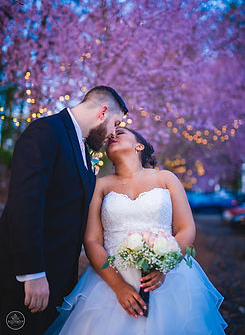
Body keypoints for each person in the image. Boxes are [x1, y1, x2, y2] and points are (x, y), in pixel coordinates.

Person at [44, 126, 228, 335]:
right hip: (110, 278)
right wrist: (119, 287)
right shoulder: (99, 185)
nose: (112, 136)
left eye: (120, 133)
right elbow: (92, 240)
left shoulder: (166, 178)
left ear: (139, 146)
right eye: (109, 138)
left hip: (167, 279)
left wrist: (165, 265)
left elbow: (186, 228)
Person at [0, 86, 128, 335]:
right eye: (115, 123)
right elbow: (25, 204)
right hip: (25, 282)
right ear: (102, 111)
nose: (114, 133)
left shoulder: (83, 149)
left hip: (58, 279)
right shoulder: (46, 132)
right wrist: (32, 273)